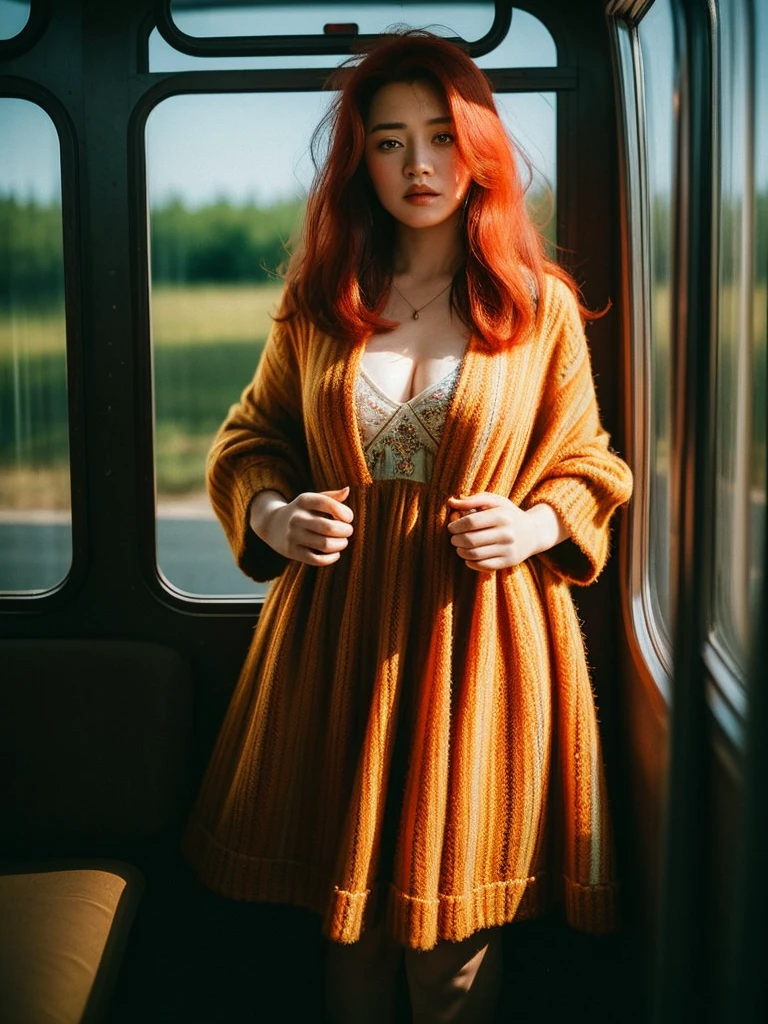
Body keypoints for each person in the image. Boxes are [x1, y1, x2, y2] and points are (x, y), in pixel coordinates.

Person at [182, 29, 633, 1024]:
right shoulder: (317, 301)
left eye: (438, 135)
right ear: (361, 161)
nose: (418, 165)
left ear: (477, 147)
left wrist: (532, 523)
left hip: (476, 644)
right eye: (389, 142)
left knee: (451, 960)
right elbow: (244, 441)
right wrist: (273, 511)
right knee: (353, 946)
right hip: (335, 645)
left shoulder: (539, 308)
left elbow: (594, 462)